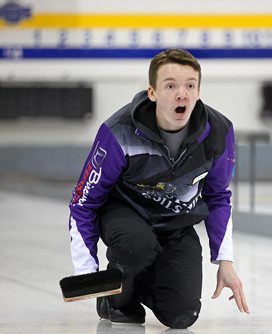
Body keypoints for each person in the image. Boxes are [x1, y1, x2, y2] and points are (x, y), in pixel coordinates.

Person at [68, 48, 249, 328]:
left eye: (190, 85)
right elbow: (83, 203)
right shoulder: (118, 131)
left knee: (181, 316)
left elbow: (218, 197)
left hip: (175, 224)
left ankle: (135, 281)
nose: (182, 94)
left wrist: (225, 259)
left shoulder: (219, 132)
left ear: (199, 91)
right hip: (125, 217)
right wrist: (87, 273)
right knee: (136, 245)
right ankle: (115, 297)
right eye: (170, 85)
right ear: (152, 92)